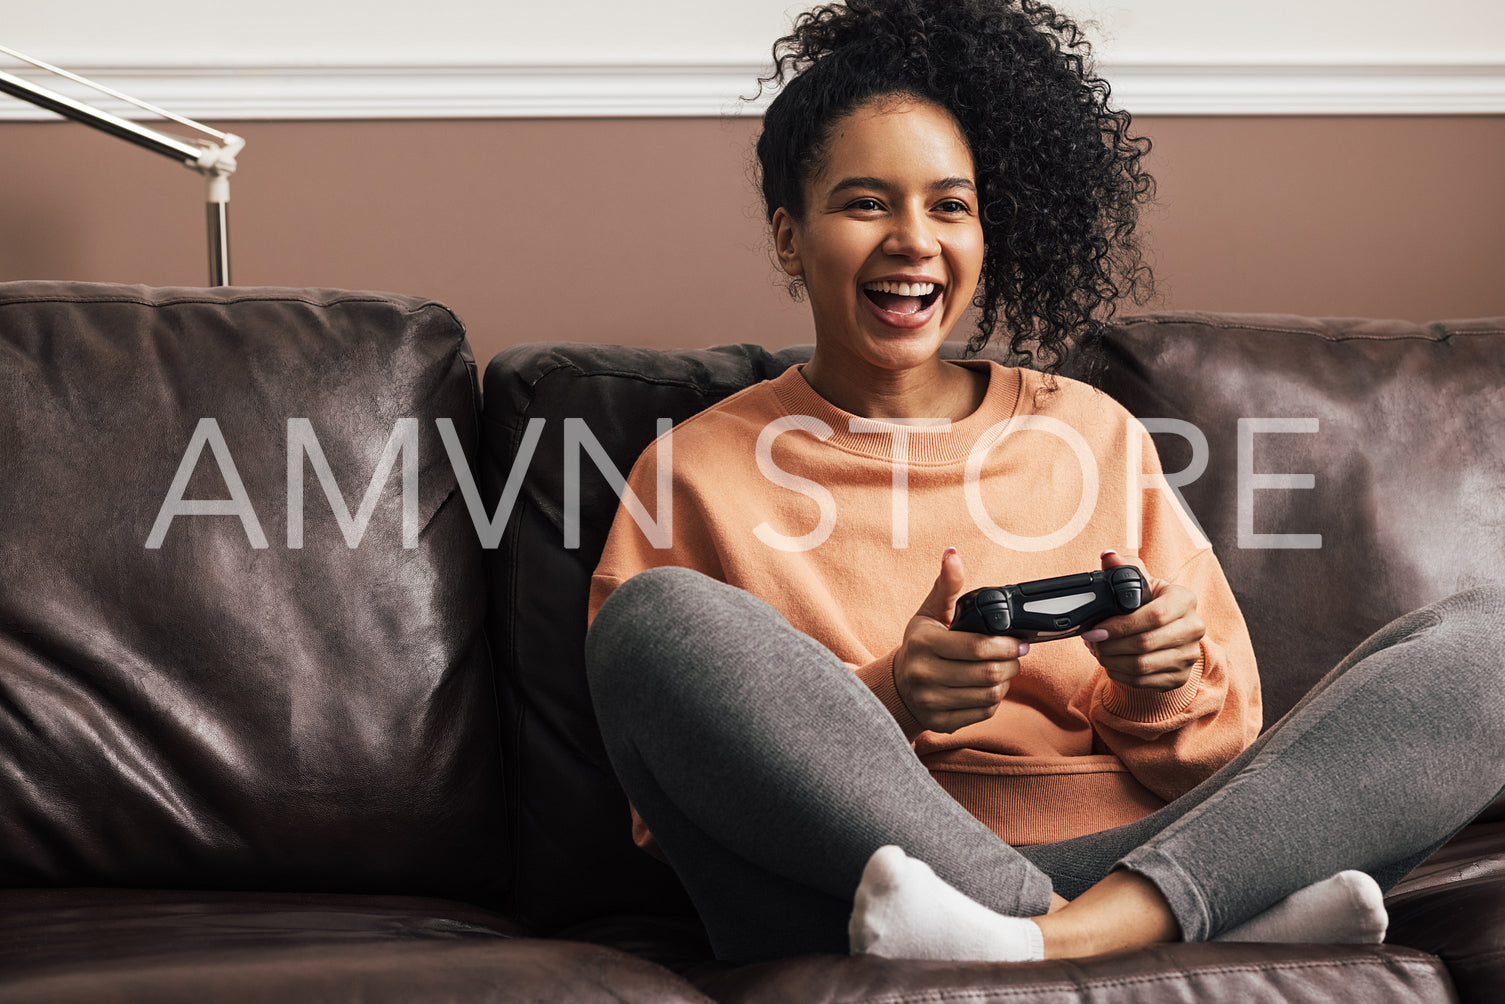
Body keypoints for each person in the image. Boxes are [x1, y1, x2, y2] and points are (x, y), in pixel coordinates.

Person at [583, 0, 1505, 965]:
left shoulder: (1086, 430)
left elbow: (1227, 760)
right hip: (865, 885)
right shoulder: (694, 469)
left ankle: (1045, 941)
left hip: (1131, 856)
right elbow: (675, 789)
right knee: (653, 623)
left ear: (985, 235)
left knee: (1489, 644)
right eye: (865, 203)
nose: (912, 239)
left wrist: (1157, 687)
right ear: (787, 238)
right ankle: (1159, 926)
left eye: (950, 205)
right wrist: (893, 696)